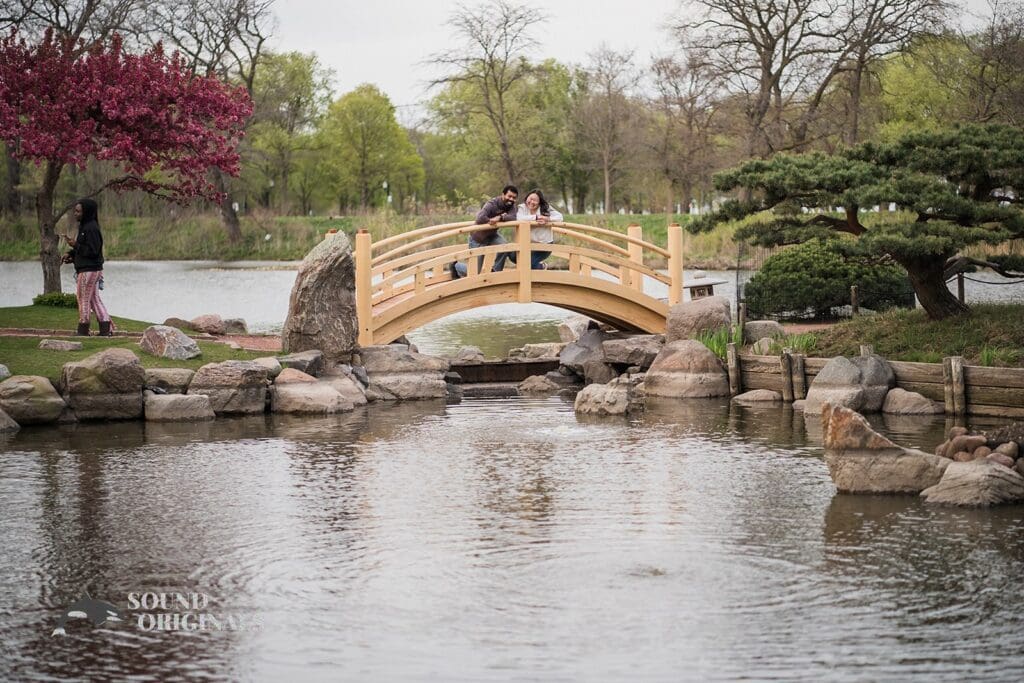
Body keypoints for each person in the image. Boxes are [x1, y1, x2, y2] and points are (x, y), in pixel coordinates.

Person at [62, 198, 114, 336]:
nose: (75, 213)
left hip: (89, 271)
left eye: (78, 211)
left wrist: (75, 245)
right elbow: (84, 249)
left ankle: (83, 329)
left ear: (87, 212)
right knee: (94, 299)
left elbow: (93, 251)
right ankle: (105, 330)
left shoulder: (91, 228)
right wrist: (71, 255)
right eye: (75, 211)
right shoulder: (86, 226)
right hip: (91, 269)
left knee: (82, 298)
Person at [450, 185, 518, 279]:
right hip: (478, 238)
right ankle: (456, 266)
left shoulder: (510, 206)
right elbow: (480, 218)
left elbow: (514, 217)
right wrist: (490, 220)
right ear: (503, 195)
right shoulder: (492, 204)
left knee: (505, 246)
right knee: (474, 272)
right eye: (509, 196)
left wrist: (500, 217)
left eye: (514, 198)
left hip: (492, 235)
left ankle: (495, 271)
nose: (511, 199)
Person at [516, 189, 562, 269]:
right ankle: (539, 267)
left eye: (535, 200)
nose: (531, 202)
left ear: (539, 202)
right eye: (530, 198)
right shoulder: (522, 207)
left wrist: (548, 219)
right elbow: (519, 218)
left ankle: (542, 267)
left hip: (544, 245)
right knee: (513, 255)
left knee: (527, 264)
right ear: (527, 197)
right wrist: (536, 217)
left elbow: (560, 217)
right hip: (528, 245)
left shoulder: (545, 208)